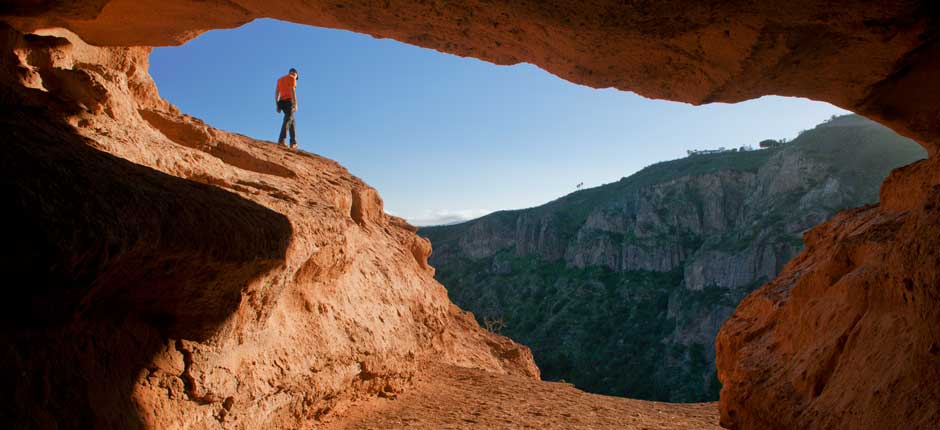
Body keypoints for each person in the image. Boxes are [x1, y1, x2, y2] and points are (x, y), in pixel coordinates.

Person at [275, 68, 299, 148]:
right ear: (294, 73)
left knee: (292, 120)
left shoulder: (280, 79)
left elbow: (277, 92)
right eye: (296, 77)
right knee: (288, 119)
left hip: (282, 102)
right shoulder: (292, 78)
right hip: (289, 101)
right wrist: (295, 104)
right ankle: (281, 140)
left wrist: (277, 105)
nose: (296, 79)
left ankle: (293, 142)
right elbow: (293, 91)